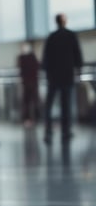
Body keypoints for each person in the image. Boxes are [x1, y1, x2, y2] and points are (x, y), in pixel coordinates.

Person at [42, 13, 83, 144]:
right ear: (64, 22)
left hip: (53, 77)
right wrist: (79, 69)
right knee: (66, 105)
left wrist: (47, 73)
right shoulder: (71, 36)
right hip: (67, 76)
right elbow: (77, 55)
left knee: (49, 105)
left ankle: (48, 131)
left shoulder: (51, 37)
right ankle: (66, 131)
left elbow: (45, 57)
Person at [17, 42, 40, 126]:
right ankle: (30, 119)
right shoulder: (24, 57)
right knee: (28, 102)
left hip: (30, 83)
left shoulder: (24, 57)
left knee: (32, 101)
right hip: (28, 83)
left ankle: (33, 118)